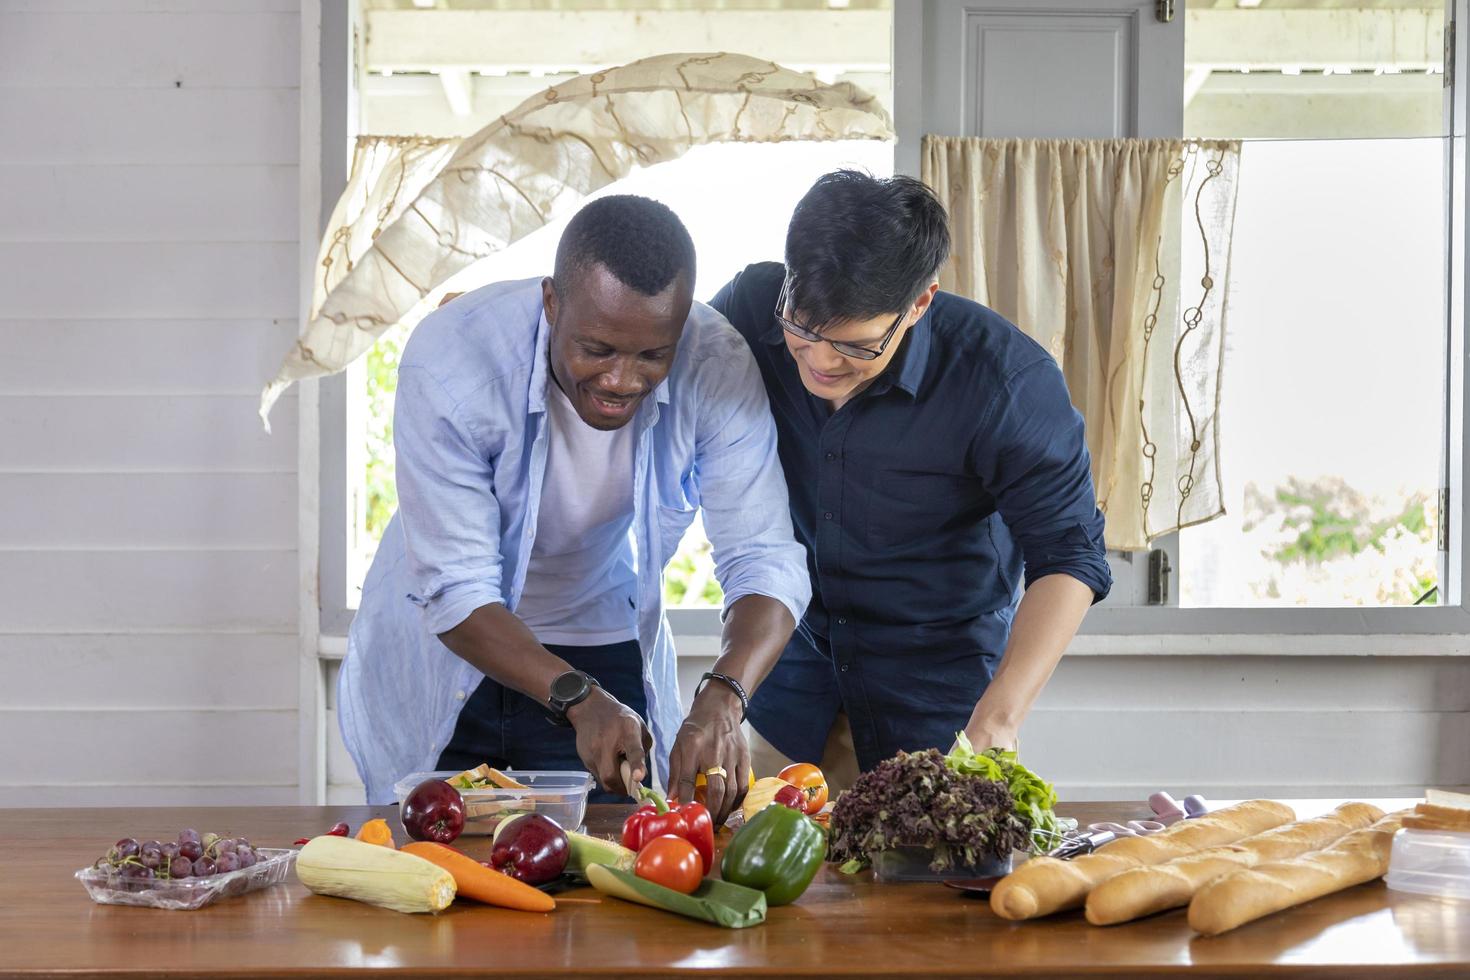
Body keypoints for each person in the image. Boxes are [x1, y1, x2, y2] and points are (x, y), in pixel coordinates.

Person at [341, 195, 809, 823]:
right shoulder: (454, 359)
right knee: (437, 862)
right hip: (453, 652)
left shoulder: (716, 363)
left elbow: (764, 559)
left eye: (652, 356)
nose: (622, 380)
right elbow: (456, 590)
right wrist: (577, 700)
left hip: (602, 645)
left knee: (606, 874)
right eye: (597, 349)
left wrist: (724, 694)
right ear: (551, 303)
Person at [711, 171, 1112, 791]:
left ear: (919, 303)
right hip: (790, 689)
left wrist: (999, 720)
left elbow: (1071, 554)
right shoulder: (745, 310)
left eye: (856, 346)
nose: (819, 361)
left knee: (922, 886)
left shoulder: (1005, 383)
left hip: (938, 705)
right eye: (804, 328)